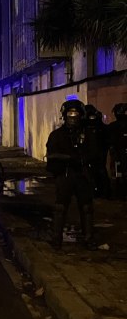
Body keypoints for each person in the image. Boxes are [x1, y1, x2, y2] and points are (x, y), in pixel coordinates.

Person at [46, 100, 96, 250]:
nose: (73, 117)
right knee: (60, 207)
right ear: (65, 115)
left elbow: (95, 153)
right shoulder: (57, 135)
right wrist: (65, 161)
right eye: (70, 114)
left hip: (82, 174)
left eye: (75, 114)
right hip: (65, 174)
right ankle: (56, 239)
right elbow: (51, 155)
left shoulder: (87, 134)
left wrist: (84, 161)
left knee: (86, 207)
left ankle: (88, 238)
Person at [84, 104, 110, 198]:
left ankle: (103, 192)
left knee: (100, 171)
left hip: (98, 153)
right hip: (90, 154)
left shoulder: (100, 127)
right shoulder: (83, 127)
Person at [107, 102, 127, 200]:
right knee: (118, 173)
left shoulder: (113, 126)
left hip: (118, 152)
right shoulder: (113, 126)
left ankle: (119, 192)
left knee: (118, 173)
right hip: (118, 152)